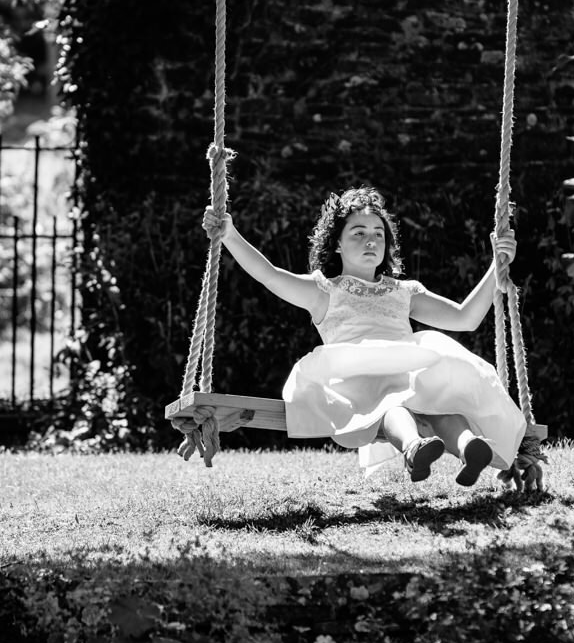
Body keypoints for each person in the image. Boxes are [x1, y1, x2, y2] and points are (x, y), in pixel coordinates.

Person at [202, 185, 526, 486]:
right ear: (338, 244)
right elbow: (269, 276)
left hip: (406, 376)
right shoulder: (325, 291)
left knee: (440, 407)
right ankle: (415, 447)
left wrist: (495, 267)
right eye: (358, 233)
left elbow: (464, 318)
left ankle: (470, 447)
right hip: (355, 384)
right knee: (392, 407)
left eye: (378, 233)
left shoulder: (403, 292)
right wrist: (229, 235)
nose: (371, 241)